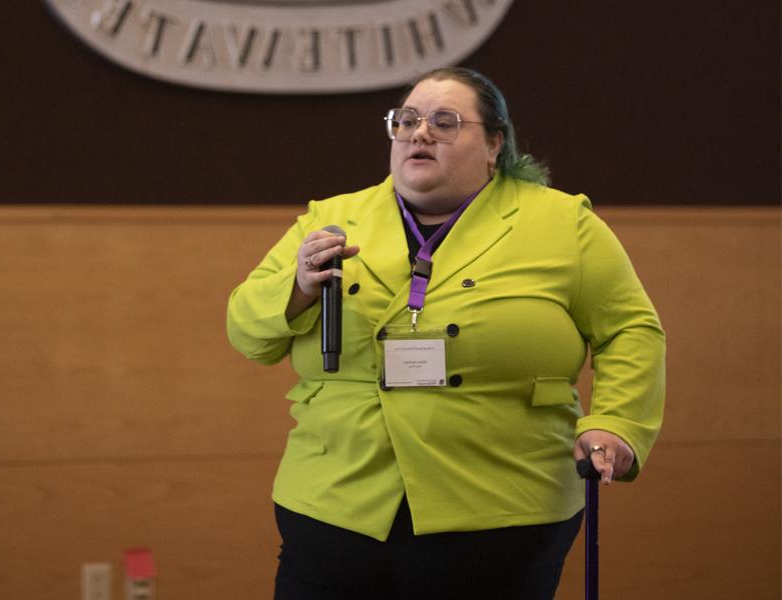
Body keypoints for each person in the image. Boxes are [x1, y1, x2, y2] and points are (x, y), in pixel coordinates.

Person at [226, 67, 665, 600]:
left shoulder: (562, 223)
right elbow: (247, 331)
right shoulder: (333, 219)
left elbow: (630, 329)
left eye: (445, 121)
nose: (420, 132)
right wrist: (297, 287)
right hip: (336, 505)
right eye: (406, 120)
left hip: (501, 508)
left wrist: (617, 422)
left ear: (494, 144)